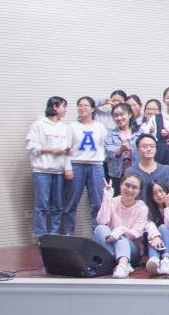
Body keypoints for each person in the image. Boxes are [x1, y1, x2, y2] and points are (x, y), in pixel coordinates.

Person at [62, 96, 108, 235]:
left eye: (86, 105)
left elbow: (103, 146)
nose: (82, 108)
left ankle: (98, 235)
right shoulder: (72, 126)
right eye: (80, 105)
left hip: (96, 166)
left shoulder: (100, 127)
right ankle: (68, 234)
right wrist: (67, 167)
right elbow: (67, 149)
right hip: (76, 165)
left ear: (93, 109)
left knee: (98, 203)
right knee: (71, 202)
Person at [28, 96, 70, 237]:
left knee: (58, 206)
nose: (66, 110)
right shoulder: (38, 124)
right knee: (42, 205)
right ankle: (40, 235)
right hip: (42, 171)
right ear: (55, 107)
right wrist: (51, 150)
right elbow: (31, 146)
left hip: (59, 171)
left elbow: (68, 150)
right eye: (64, 106)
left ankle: (54, 235)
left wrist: (67, 167)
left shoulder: (65, 127)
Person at [94, 174, 148, 278]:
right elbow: (102, 221)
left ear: (139, 191)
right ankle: (120, 265)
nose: (130, 190)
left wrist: (120, 230)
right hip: (112, 245)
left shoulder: (142, 208)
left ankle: (123, 263)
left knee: (121, 237)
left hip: (132, 250)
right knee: (100, 228)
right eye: (127, 185)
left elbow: (136, 233)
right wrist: (107, 196)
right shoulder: (113, 201)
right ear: (120, 185)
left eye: (134, 187)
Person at [124, 134, 169, 202]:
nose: (149, 149)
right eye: (144, 146)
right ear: (138, 150)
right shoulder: (131, 171)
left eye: (152, 146)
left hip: (162, 207)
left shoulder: (166, 170)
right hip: (139, 207)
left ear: (156, 149)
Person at [105, 102, 139, 194]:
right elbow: (107, 151)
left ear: (129, 114)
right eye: (115, 115)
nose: (119, 118)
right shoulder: (111, 134)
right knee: (116, 198)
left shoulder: (140, 132)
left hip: (136, 173)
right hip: (116, 174)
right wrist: (120, 150)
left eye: (122, 114)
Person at [144, 181, 169, 276]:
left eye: (161, 191)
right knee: (152, 235)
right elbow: (148, 225)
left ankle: (166, 260)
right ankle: (154, 260)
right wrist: (156, 236)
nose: (159, 195)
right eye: (154, 193)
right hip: (157, 247)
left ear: (166, 191)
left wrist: (168, 207)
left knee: (163, 227)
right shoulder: (147, 211)